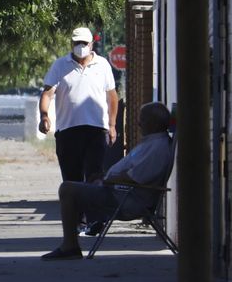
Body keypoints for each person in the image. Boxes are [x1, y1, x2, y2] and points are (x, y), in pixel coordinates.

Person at [41, 101, 174, 260]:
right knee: (77, 187)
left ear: (154, 123)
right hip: (120, 192)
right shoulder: (151, 143)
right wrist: (104, 178)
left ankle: (70, 246)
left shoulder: (157, 148)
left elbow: (134, 177)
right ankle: (75, 239)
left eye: (143, 120)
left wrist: (106, 180)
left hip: (127, 200)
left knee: (67, 189)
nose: (139, 124)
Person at [38, 26, 119, 185]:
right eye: (77, 42)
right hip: (68, 130)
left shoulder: (102, 65)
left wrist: (112, 125)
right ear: (71, 44)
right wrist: (44, 116)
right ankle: (74, 210)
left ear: (91, 44)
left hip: (96, 129)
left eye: (84, 43)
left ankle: (92, 209)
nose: (81, 46)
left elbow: (112, 96)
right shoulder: (60, 65)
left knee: (94, 177)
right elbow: (47, 93)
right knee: (71, 179)